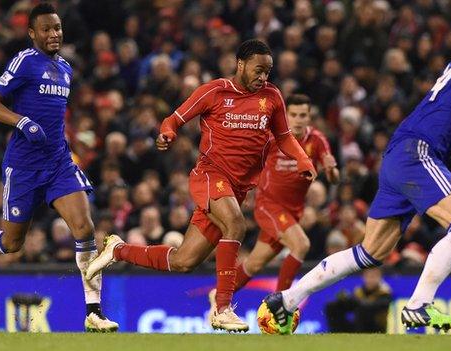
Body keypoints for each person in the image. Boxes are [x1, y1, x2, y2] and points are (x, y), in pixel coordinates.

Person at [261, 10, 451, 334]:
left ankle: (285, 301)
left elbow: (449, 110)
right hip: (419, 152)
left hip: (400, 153)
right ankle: (419, 305)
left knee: (369, 252)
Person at [86, 39, 316, 332]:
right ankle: (222, 308)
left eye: (267, 72)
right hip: (210, 176)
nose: (263, 77)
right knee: (236, 225)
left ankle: (118, 250)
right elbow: (174, 119)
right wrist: (167, 133)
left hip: (238, 189)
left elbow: (284, 136)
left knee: (184, 260)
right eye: (258, 70)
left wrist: (304, 161)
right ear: (241, 64)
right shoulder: (214, 91)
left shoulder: (272, 96)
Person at [0, 3, 118, 332]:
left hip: (58, 162)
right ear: (32, 33)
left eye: (58, 28)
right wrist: (21, 121)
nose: (54, 34)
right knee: (11, 243)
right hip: (23, 166)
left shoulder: (66, 68)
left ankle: (94, 311)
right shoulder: (25, 61)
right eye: (47, 29)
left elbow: (54, 113)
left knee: (85, 229)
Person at [228, 94, 339, 297]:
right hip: (268, 206)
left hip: (293, 211)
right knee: (301, 244)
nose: (298, 119)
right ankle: (281, 303)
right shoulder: (271, 137)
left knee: (254, 263)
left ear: (309, 117)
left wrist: (331, 171)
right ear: (286, 116)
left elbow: (334, 179)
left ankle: (220, 294)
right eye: (294, 114)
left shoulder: (317, 140)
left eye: (303, 115)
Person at [324, 267, 392, 333]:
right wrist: (344, 300)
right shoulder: (359, 291)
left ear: (380, 277)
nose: (370, 279)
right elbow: (351, 305)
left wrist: (358, 302)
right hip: (357, 325)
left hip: (376, 327)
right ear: (363, 277)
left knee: (363, 310)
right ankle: (336, 333)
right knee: (332, 306)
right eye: (368, 276)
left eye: (373, 276)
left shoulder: (385, 293)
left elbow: (377, 306)